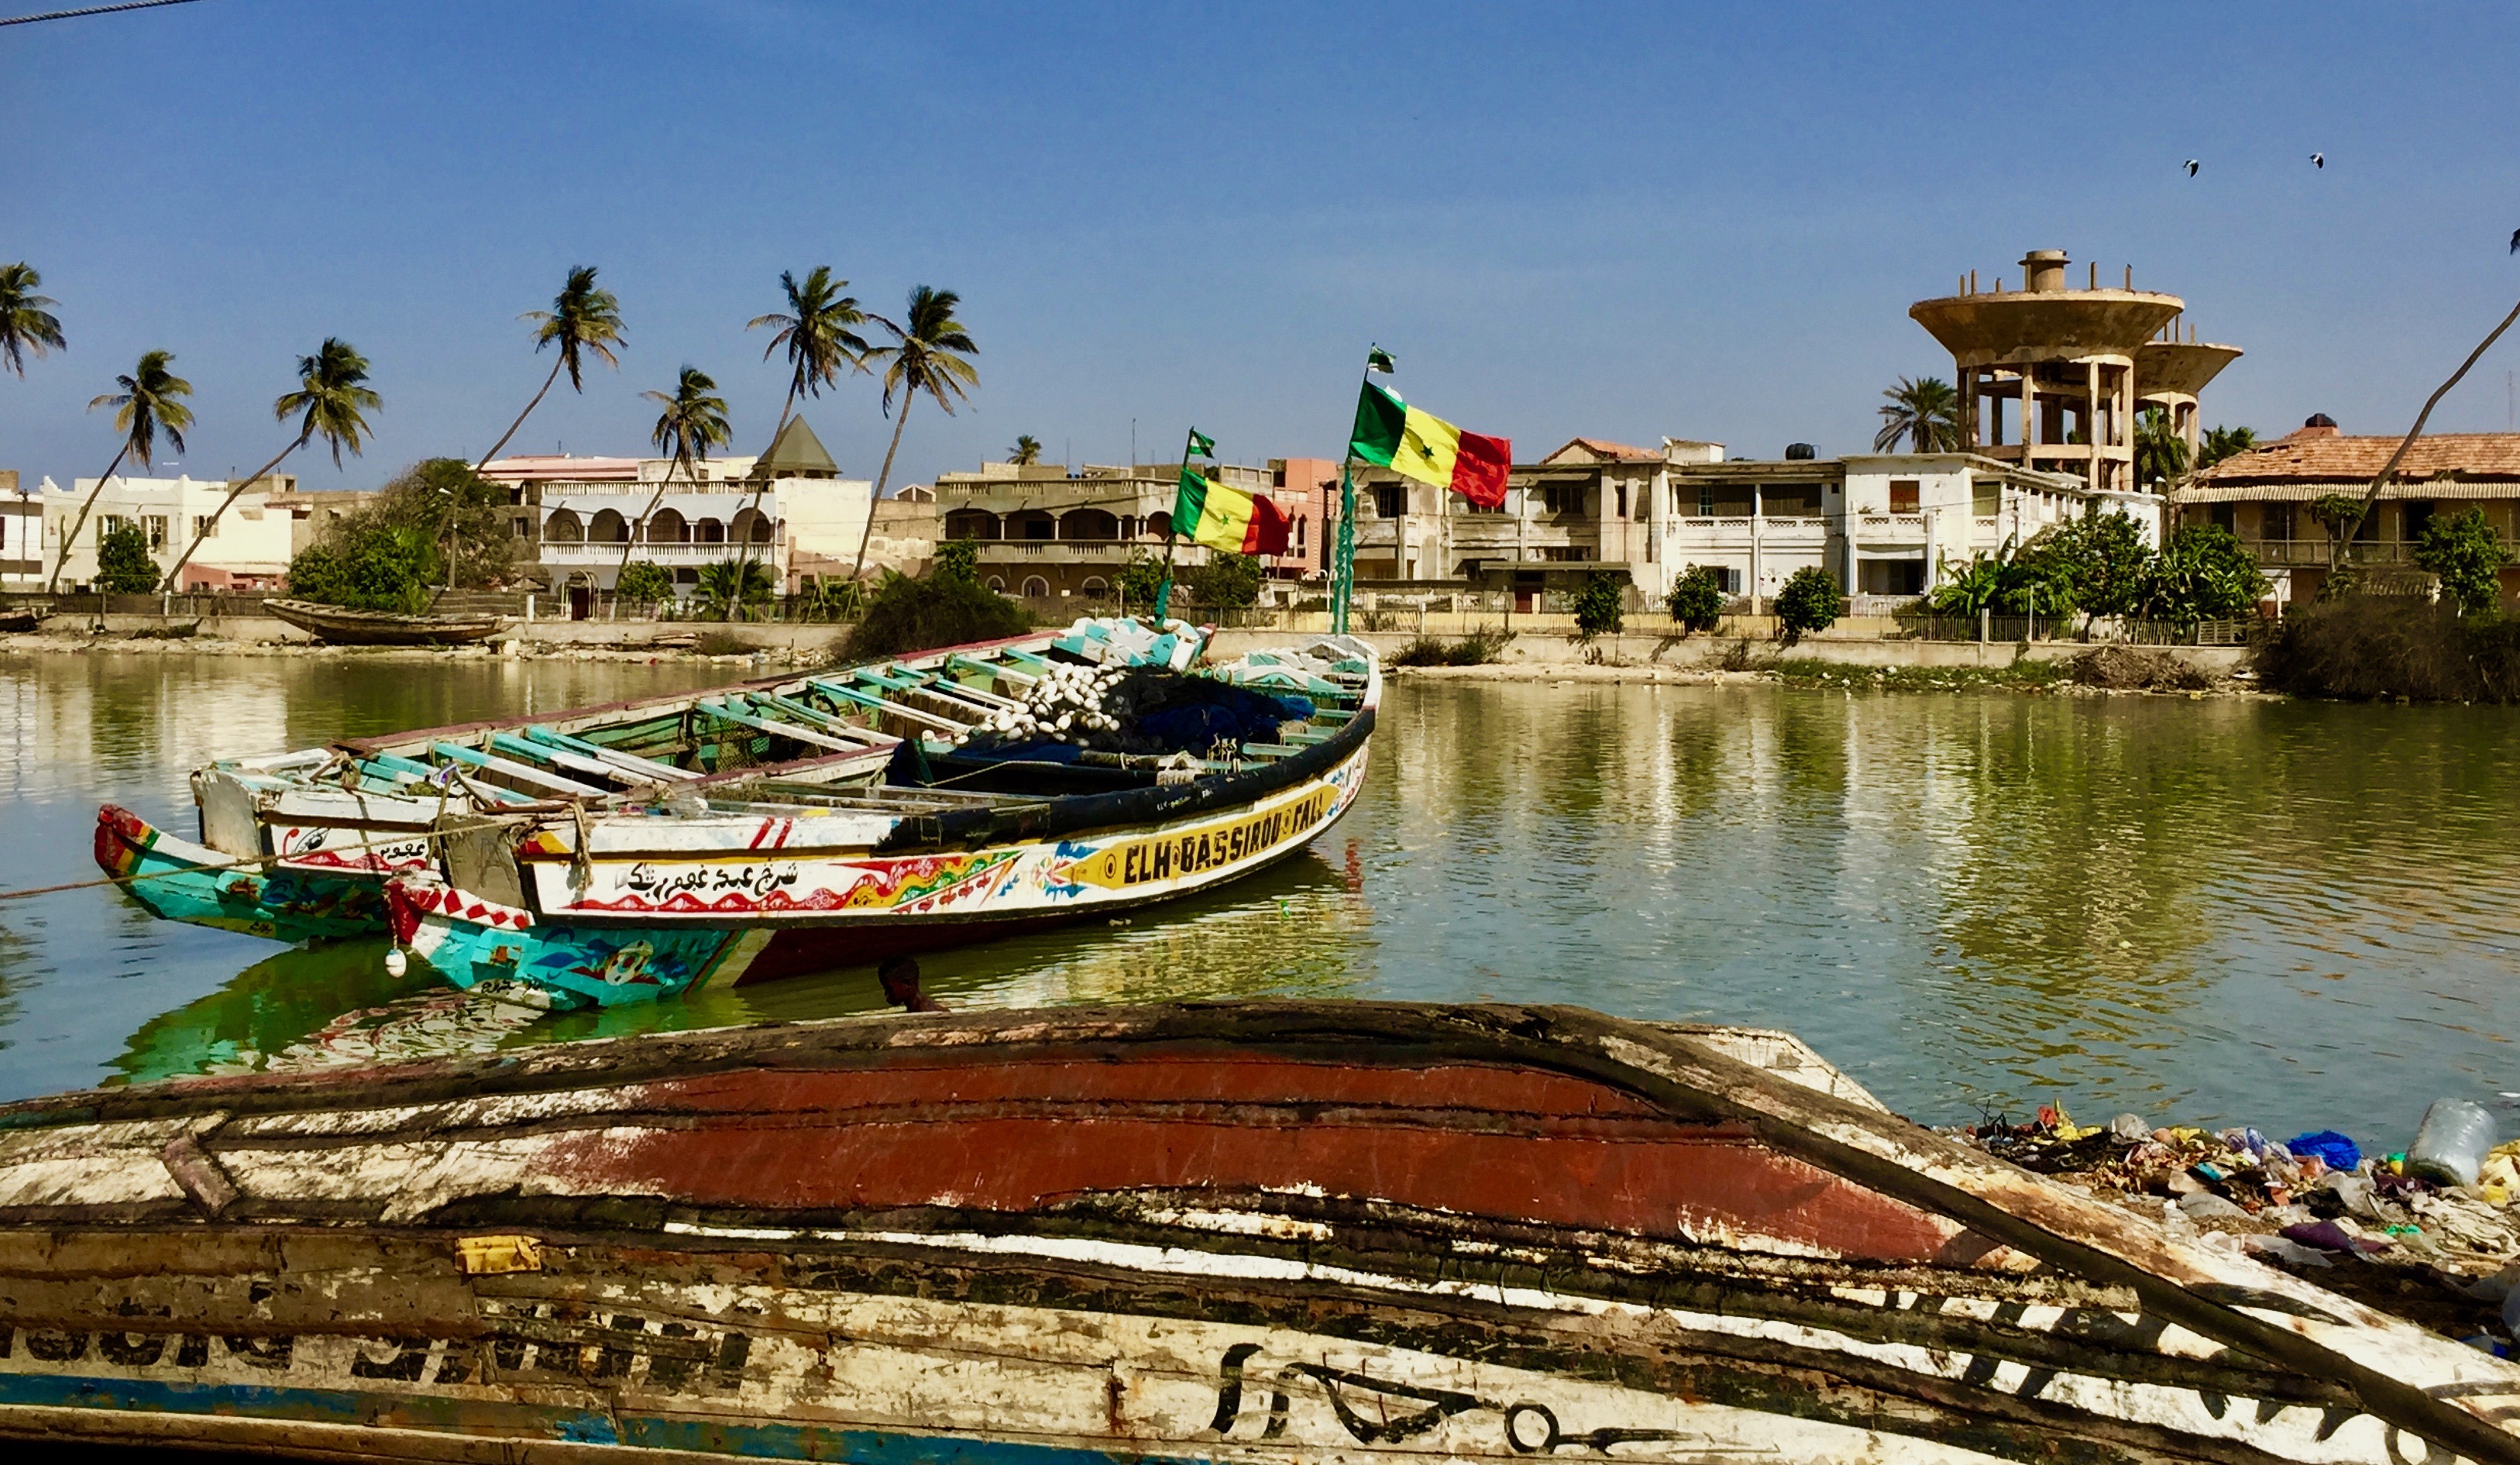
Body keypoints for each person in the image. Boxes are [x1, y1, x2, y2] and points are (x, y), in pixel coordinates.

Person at [878, 955, 945, 1013]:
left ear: (907, 985)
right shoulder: (920, 1007)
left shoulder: (924, 1012)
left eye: (889, 988)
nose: (886, 994)